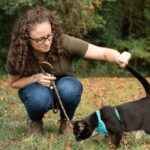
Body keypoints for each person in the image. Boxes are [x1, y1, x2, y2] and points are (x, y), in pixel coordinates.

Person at [6, 6, 131, 135]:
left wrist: (118, 57)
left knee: (70, 88)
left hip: (64, 87)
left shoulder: (63, 41)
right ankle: (35, 122)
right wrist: (35, 78)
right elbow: (14, 83)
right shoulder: (18, 52)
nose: (47, 42)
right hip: (36, 90)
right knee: (38, 98)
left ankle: (66, 121)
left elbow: (103, 52)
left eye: (49, 35)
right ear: (27, 38)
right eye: (39, 39)